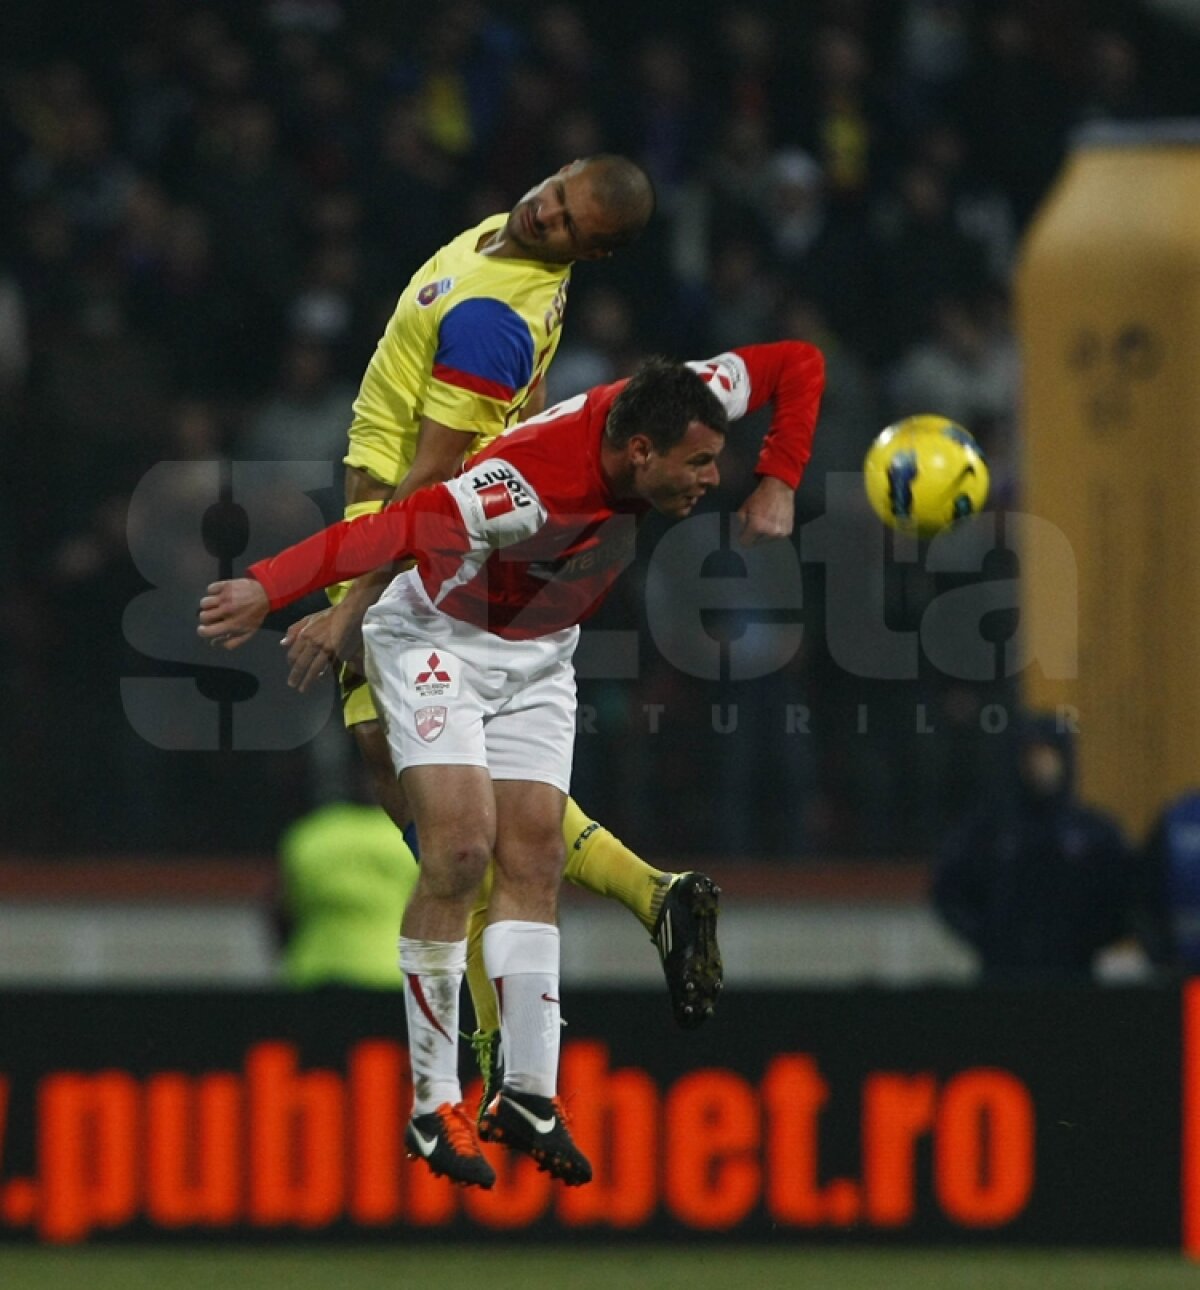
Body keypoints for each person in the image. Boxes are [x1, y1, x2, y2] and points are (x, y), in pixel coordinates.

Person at [198, 339, 825, 1187]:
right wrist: (268, 589)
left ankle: (528, 1093)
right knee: (459, 851)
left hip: (539, 651)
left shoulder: (686, 397)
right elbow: (392, 529)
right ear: (641, 452)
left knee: (532, 853)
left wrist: (781, 476)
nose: (714, 477)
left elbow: (795, 362)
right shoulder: (522, 489)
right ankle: (431, 1105)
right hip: (437, 639)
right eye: (702, 463)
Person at [284, 156, 731, 1066]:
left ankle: (493, 1040)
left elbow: (433, 478)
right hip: (464, 526)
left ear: (591, 252)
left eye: (566, 222)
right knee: (455, 806)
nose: (543, 212)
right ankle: (649, 898)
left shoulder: (495, 316)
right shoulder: (512, 249)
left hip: (411, 526)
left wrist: (353, 606)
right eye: (554, 192)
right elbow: (514, 399)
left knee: (403, 773)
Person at [931, 712, 1134, 980]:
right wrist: (989, 937)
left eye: (1048, 755)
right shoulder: (987, 831)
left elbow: (1126, 895)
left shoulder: (1094, 833)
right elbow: (949, 890)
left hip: (1075, 977)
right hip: (1002, 978)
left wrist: (1088, 939)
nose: (1040, 765)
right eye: (1031, 755)